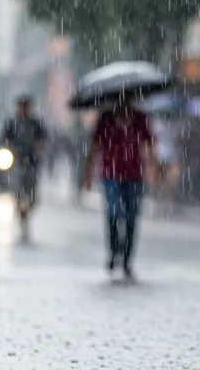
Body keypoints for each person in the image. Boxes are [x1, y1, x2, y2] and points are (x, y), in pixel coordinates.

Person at [81, 95, 154, 280]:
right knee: (114, 213)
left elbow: (149, 143)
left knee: (131, 218)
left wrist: (154, 166)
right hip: (111, 174)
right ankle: (114, 251)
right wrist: (87, 172)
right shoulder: (106, 118)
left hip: (134, 175)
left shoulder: (140, 118)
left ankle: (127, 259)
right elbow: (95, 145)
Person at [0, 95, 47, 243]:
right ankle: (21, 217)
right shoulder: (11, 123)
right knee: (18, 193)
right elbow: (3, 140)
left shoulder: (35, 124)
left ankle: (25, 212)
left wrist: (38, 147)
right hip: (16, 164)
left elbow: (43, 139)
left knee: (33, 197)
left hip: (32, 164)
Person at [151, 115, 181, 216]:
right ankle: (162, 202)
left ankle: (167, 203)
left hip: (171, 157)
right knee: (160, 182)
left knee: (170, 183)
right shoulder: (157, 124)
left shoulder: (176, 125)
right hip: (161, 156)